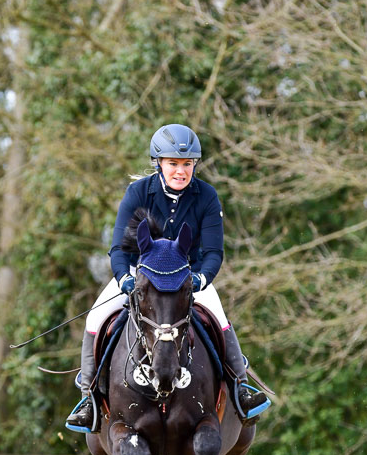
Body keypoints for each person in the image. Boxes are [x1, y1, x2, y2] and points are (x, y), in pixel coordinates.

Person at [66, 123, 267, 431]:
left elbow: (214, 252)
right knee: (95, 317)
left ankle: (240, 388)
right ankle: (88, 399)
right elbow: (118, 249)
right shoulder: (138, 192)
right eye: (173, 163)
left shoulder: (207, 196)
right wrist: (123, 279)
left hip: (187, 276)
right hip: (141, 275)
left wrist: (201, 279)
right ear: (158, 163)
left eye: (187, 164)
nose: (180, 171)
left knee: (220, 318)